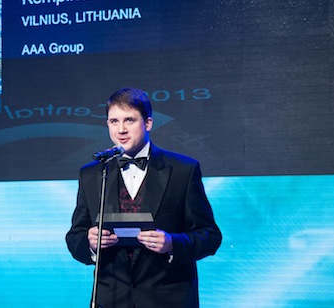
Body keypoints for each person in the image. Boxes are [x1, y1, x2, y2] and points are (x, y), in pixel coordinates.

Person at [66, 88, 222, 307]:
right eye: (114, 121)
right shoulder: (92, 173)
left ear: (148, 123)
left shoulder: (182, 170)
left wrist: (172, 243)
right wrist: (90, 243)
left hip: (168, 299)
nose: (121, 129)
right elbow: (75, 236)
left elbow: (209, 236)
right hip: (111, 299)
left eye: (129, 120)